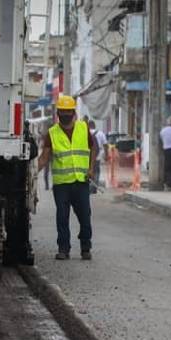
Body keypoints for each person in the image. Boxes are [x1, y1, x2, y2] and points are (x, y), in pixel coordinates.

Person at [37, 95, 98, 261]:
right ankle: (63, 249)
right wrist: (32, 172)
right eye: (62, 112)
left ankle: (86, 247)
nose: (65, 114)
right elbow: (44, 157)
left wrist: (91, 168)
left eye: (67, 111)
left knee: (85, 217)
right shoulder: (52, 133)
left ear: (73, 112)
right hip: (62, 184)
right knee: (62, 217)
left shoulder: (83, 128)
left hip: (80, 181)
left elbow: (93, 148)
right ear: (58, 113)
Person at [89, 120, 108, 193]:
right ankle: (94, 188)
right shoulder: (100, 133)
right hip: (97, 155)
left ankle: (89, 187)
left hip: (88, 156)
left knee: (89, 171)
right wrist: (106, 155)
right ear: (94, 126)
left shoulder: (86, 132)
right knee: (96, 171)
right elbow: (105, 145)